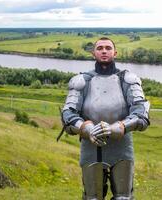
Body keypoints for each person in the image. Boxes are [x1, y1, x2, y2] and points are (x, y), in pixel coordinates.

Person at [61, 37, 150, 200]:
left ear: (115, 53)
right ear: (93, 53)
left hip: (121, 146)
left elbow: (141, 112)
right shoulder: (81, 81)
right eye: (100, 48)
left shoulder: (127, 79)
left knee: (124, 197)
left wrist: (119, 127)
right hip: (90, 147)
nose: (104, 51)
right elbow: (68, 114)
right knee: (92, 197)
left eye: (108, 48)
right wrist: (86, 128)